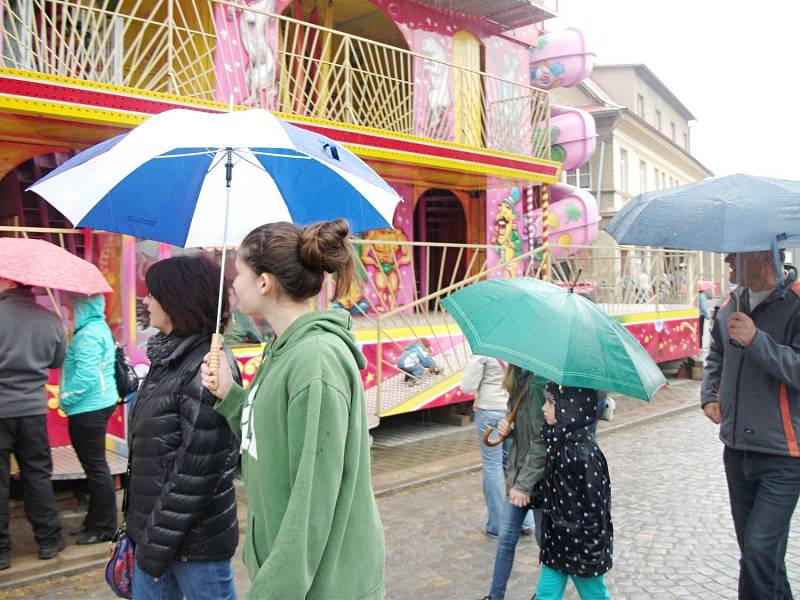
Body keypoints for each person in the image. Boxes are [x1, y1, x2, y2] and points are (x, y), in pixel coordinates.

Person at [202, 219, 385, 600]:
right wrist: (230, 394)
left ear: (265, 282)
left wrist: (272, 592)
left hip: (322, 585)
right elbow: (271, 439)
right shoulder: (283, 349)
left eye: (239, 272)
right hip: (294, 578)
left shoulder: (314, 360)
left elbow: (313, 498)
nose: (233, 284)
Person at [126, 256, 240, 600]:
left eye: (153, 293)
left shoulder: (207, 364)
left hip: (194, 545)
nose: (146, 301)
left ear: (176, 300)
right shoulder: (169, 357)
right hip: (156, 534)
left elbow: (198, 469)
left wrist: (153, 545)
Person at [702, 249, 800, 599]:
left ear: (763, 257)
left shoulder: (797, 302)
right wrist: (710, 393)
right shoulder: (731, 303)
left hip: (782, 456)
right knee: (759, 558)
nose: (727, 260)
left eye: (736, 255)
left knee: (759, 551)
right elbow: (716, 354)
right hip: (736, 450)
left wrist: (757, 340)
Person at [0, 278, 67, 569]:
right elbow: (56, 361)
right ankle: (49, 541)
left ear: (8, 282)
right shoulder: (51, 320)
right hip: (33, 410)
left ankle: (2, 552)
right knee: (38, 475)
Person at [534, 383, 613, 600]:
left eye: (549, 402)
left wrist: (591, 552)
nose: (543, 408)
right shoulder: (559, 444)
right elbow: (555, 487)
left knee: (596, 596)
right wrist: (537, 495)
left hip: (581, 549)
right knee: (545, 595)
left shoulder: (584, 454)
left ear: (568, 408)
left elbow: (594, 508)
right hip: (558, 543)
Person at [482, 365, 546, 600]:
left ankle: (543, 594)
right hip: (519, 474)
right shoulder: (519, 376)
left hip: (539, 479)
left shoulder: (540, 383)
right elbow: (522, 426)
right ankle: (495, 595)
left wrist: (524, 485)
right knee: (506, 539)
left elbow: (542, 441)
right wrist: (506, 426)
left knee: (543, 544)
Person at [60, 294, 119, 545]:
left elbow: (86, 376)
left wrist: (66, 397)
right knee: (95, 468)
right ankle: (94, 521)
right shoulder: (96, 328)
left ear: (84, 307)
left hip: (88, 408)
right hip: (97, 405)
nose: (71, 312)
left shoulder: (88, 335)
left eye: (73, 307)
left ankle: (103, 527)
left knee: (95, 469)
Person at [460, 355, 533, 538]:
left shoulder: (483, 353)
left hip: (490, 412)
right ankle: (524, 521)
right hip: (512, 413)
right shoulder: (517, 346)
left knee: (492, 466)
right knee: (513, 464)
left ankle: (498, 525)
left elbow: (466, 386)